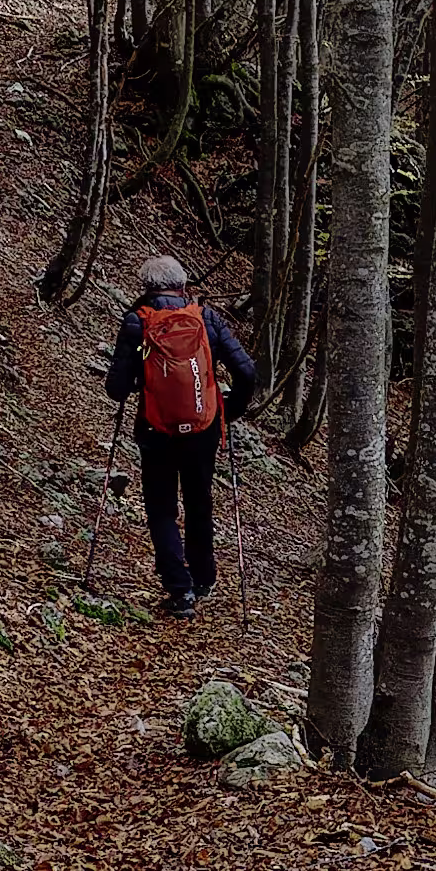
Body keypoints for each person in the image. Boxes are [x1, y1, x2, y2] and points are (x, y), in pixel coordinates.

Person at [102, 253, 262, 619]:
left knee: (161, 508)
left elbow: (116, 388)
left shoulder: (137, 322)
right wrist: (227, 408)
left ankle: (180, 589)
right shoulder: (207, 318)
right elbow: (247, 372)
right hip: (202, 430)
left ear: (146, 288)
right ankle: (204, 577)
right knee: (198, 501)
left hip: (156, 430)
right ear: (183, 285)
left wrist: (140, 379)